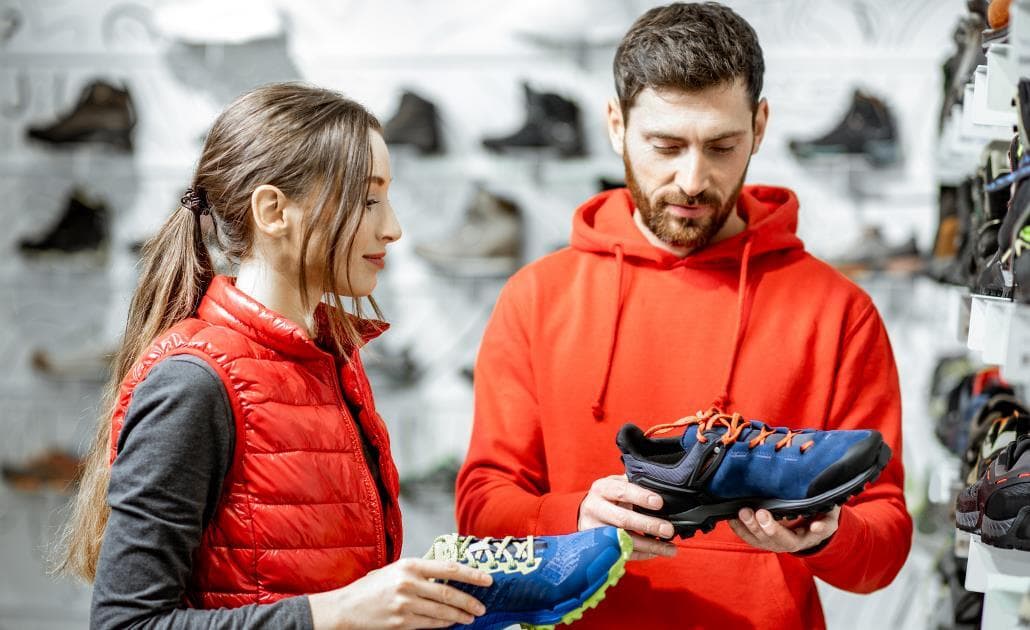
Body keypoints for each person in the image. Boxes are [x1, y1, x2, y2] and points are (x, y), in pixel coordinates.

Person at [455, 3, 913, 629]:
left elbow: (883, 547)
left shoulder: (838, 311)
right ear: (616, 126)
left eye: (721, 146)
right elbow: (482, 509)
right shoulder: (536, 298)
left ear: (760, 125)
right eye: (665, 146)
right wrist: (575, 517)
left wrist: (823, 535)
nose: (692, 180)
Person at [59, 83, 494, 629]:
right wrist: (335, 613)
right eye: (367, 199)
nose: (394, 228)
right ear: (272, 210)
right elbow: (125, 624)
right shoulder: (193, 383)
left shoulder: (330, 360)